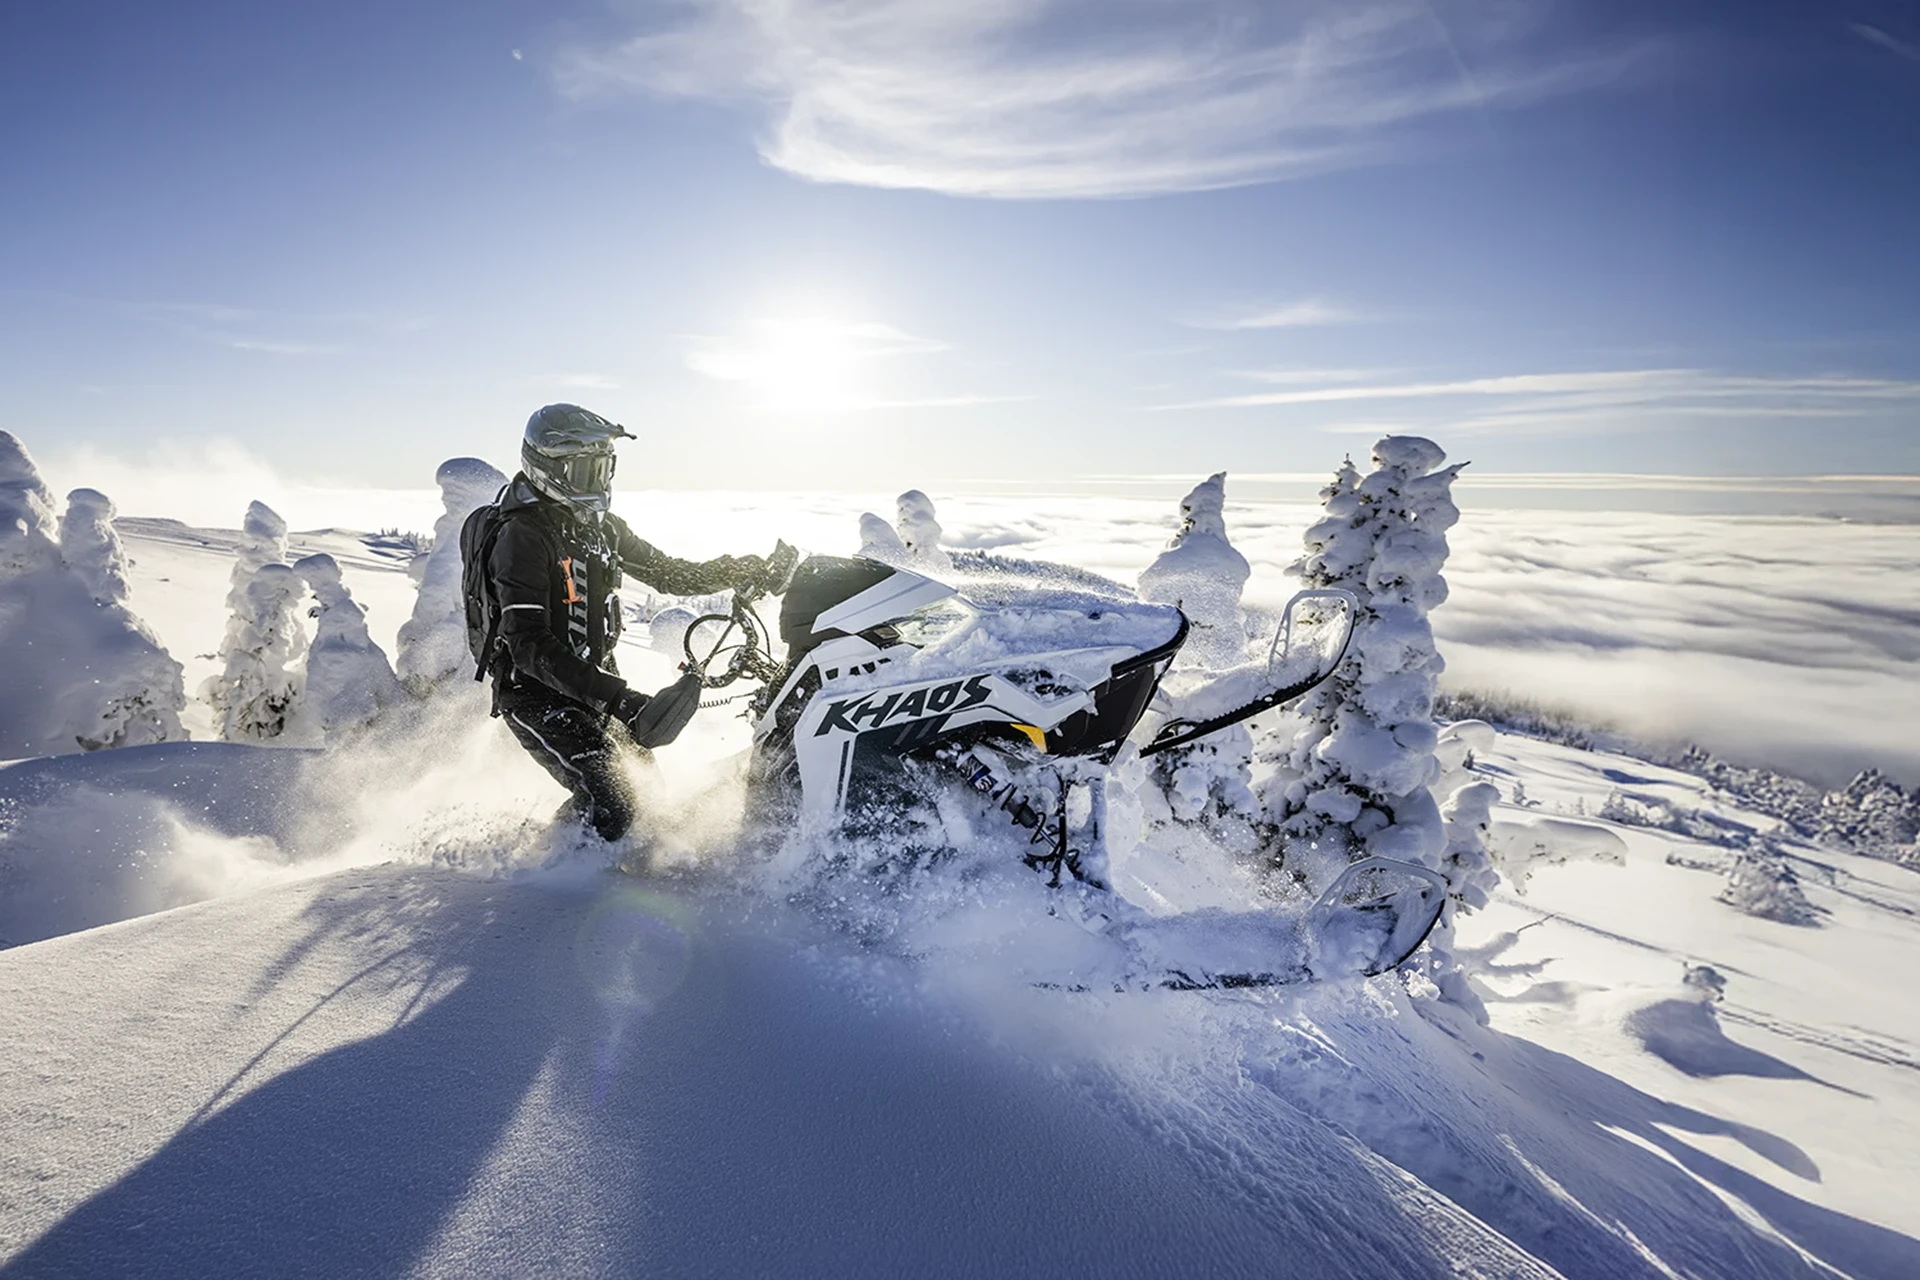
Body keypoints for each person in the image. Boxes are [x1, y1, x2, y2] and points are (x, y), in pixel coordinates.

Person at [475, 403, 791, 846]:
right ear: (550, 468)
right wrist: (622, 701)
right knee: (616, 801)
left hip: (598, 692)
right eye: (588, 470)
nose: (600, 482)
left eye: (605, 469)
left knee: (647, 797)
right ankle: (547, 879)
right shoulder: (522, 536)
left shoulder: (598, 527)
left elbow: (668, 572)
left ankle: (597, 869)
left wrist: (741, 569)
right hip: (537, 696)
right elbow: (528, 645)